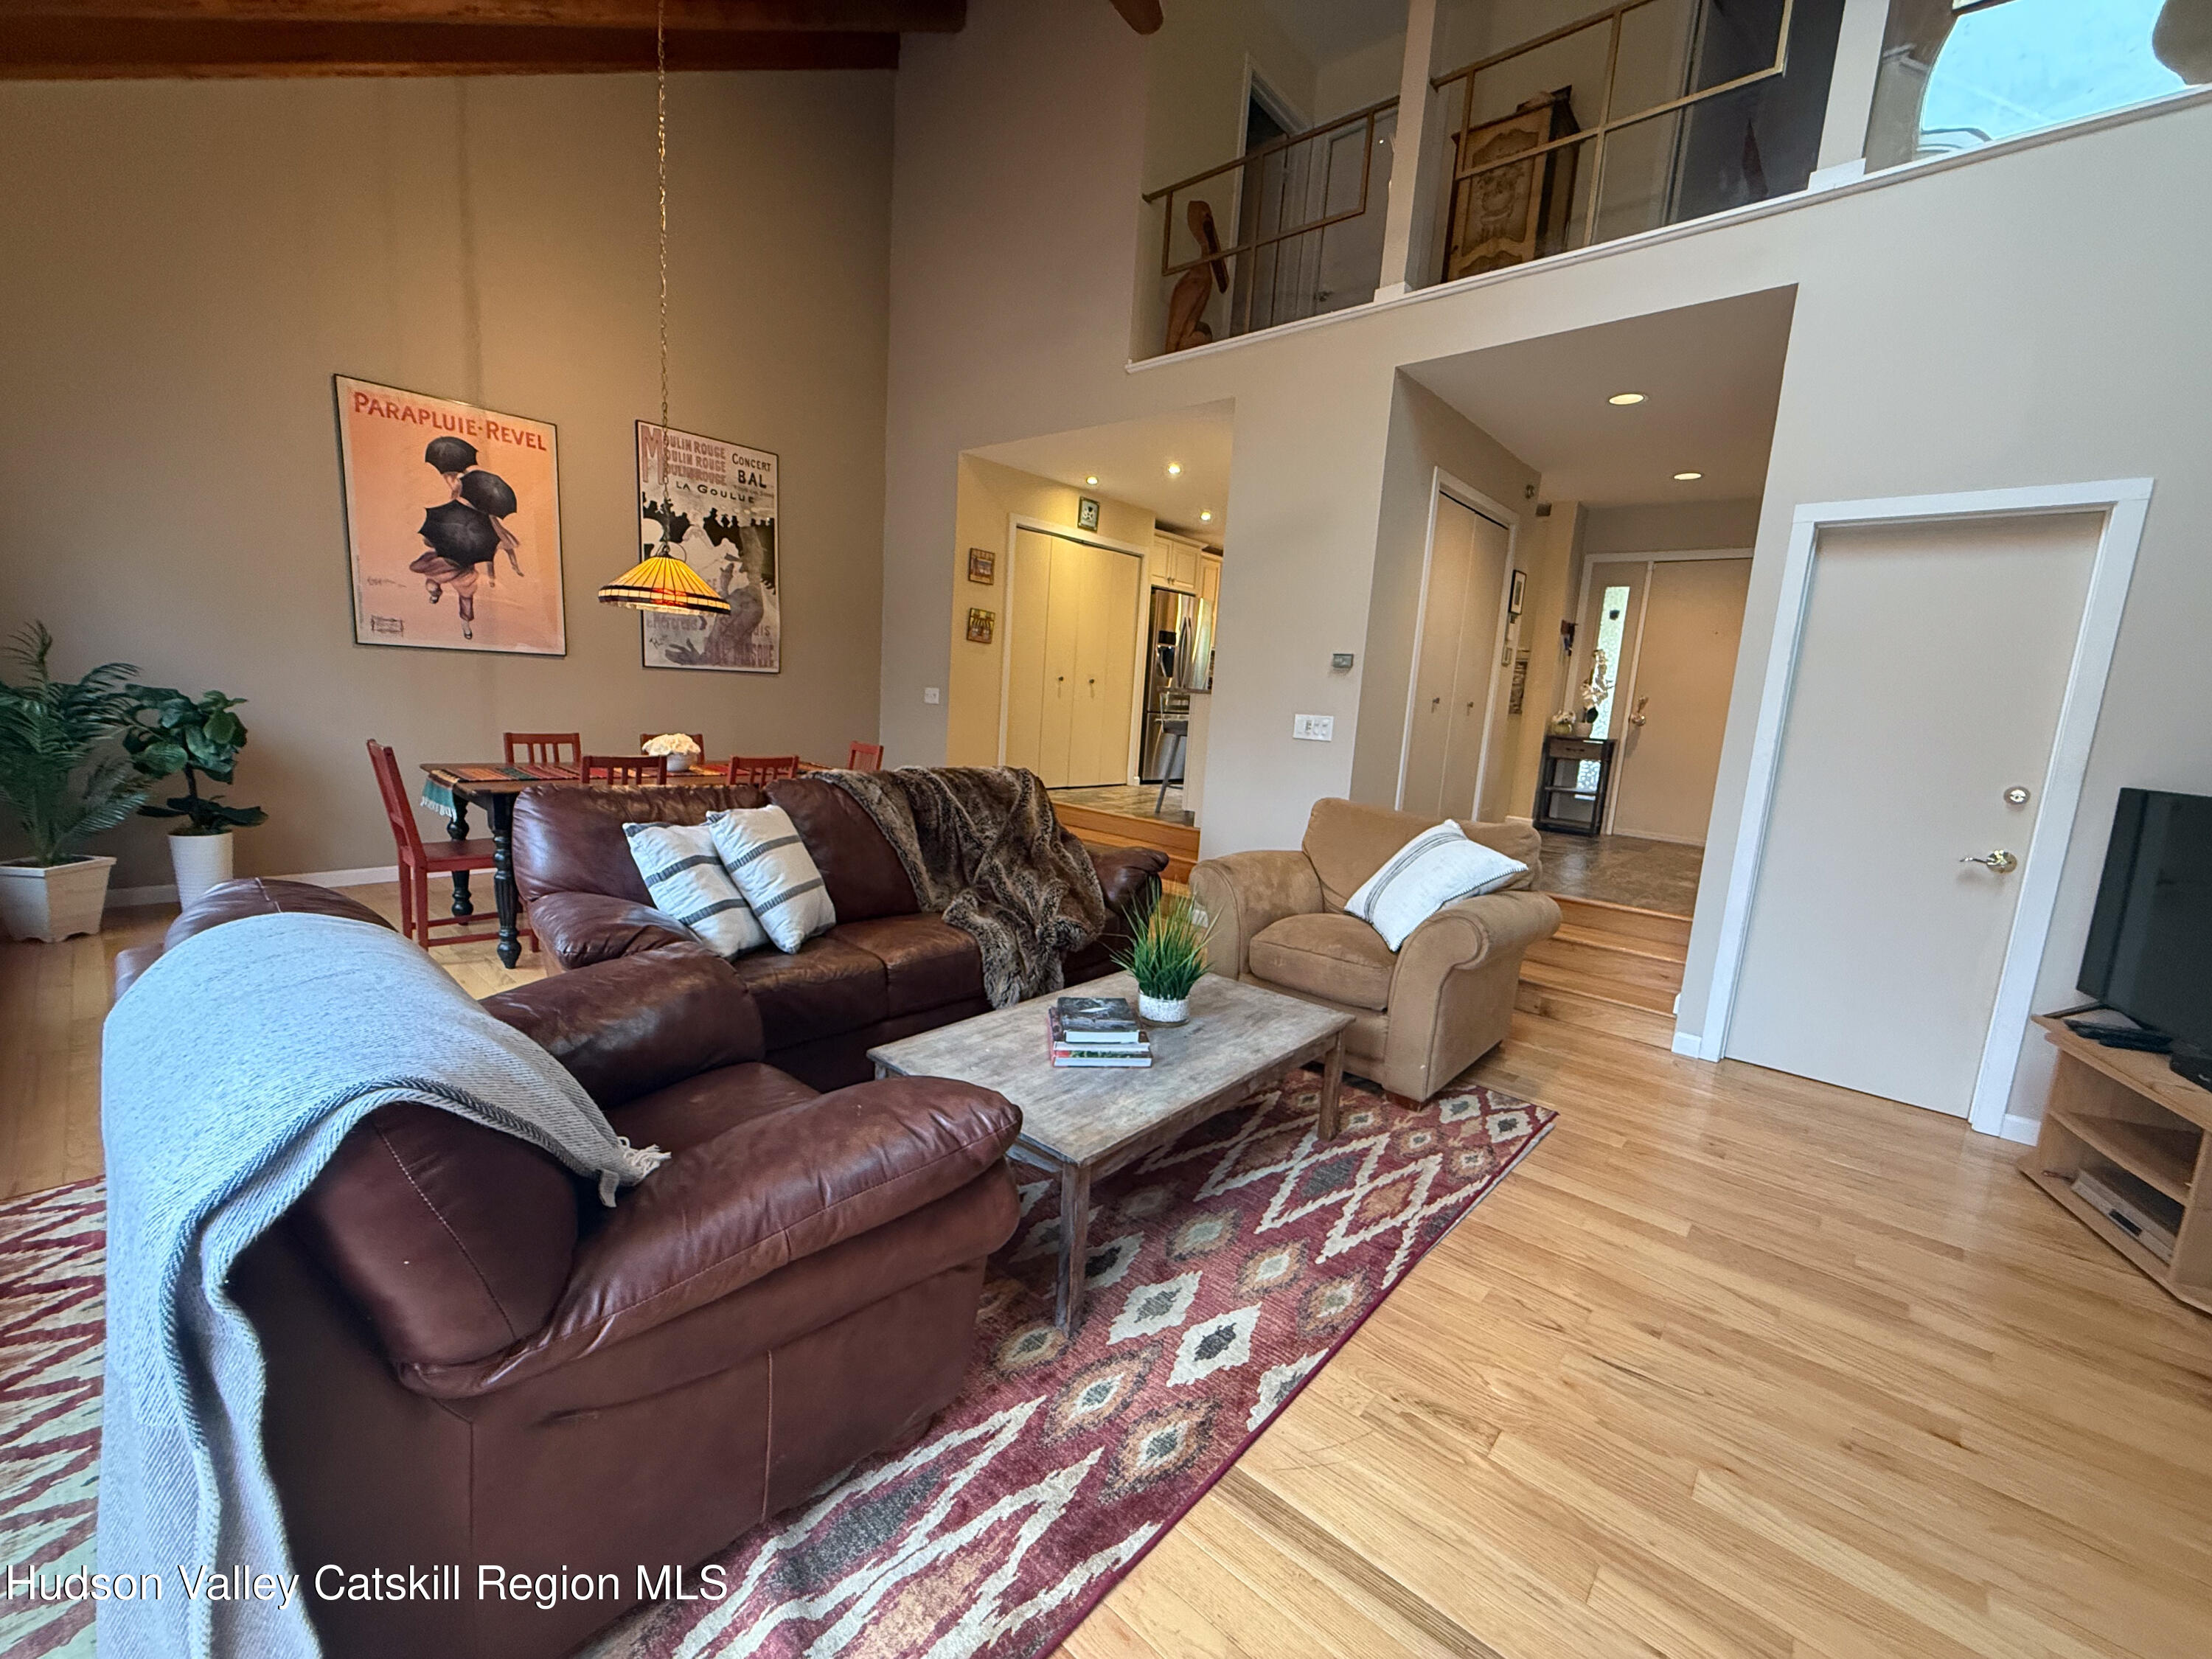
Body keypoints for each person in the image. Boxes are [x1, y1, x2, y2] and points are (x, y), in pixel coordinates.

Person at [410, 501, 499, 641]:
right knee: (434, 586)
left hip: (463, 574)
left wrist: (491, 577)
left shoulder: (474, 539)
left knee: (465, 600)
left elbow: (416, 566)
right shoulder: (464, 536)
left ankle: (465, 624)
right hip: (452, 569)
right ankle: (437, 596)